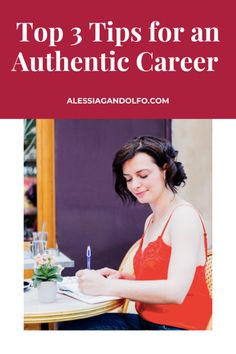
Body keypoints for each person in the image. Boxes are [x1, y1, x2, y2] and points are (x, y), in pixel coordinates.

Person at [58, 136, 212, 330]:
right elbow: (159, 277)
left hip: (177, 328)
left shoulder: (184, 217)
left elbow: (176, 291)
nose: (135, 185)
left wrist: (107, 287)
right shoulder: (152, 219)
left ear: (165, 169)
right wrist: (124, 279)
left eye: (143, 175)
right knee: (72, 327)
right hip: (148, 322)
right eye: (128, 179)